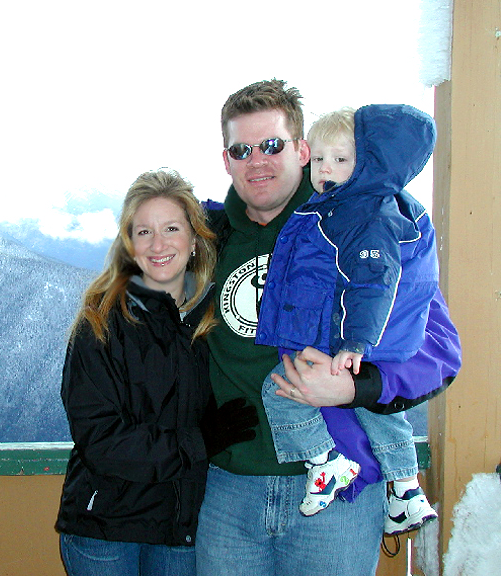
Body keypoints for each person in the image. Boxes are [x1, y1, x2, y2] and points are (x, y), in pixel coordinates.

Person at [195, 80, 462, 576]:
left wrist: (355, 386)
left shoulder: (360, 219)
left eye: (272, 145)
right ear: (226, 159)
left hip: (340, 488)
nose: (258, 160)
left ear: (302, 149)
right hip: (230, 488)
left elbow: (440, 349)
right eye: (242, 149)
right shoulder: (206, 236)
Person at [55, 169, 258, 576]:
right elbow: (101, 440)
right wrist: (200, 442)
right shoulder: (101, 323)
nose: (159, 244)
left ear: (195, 239)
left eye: (171, 228)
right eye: (144, 232)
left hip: (181, 528)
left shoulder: (214, 320)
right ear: (129, 244)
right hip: (106, 531)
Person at [256, 105, 439, 534]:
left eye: (341, 160)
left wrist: (355, 341)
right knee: (377, 408)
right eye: (319, 159)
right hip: (378, 343)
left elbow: (374, 280)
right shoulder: (358, 208)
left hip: (354, 338)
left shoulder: (362, 215)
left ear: (366, 164)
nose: (326, 170)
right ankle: (406, 490)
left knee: (280, 388)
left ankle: (326, 463)